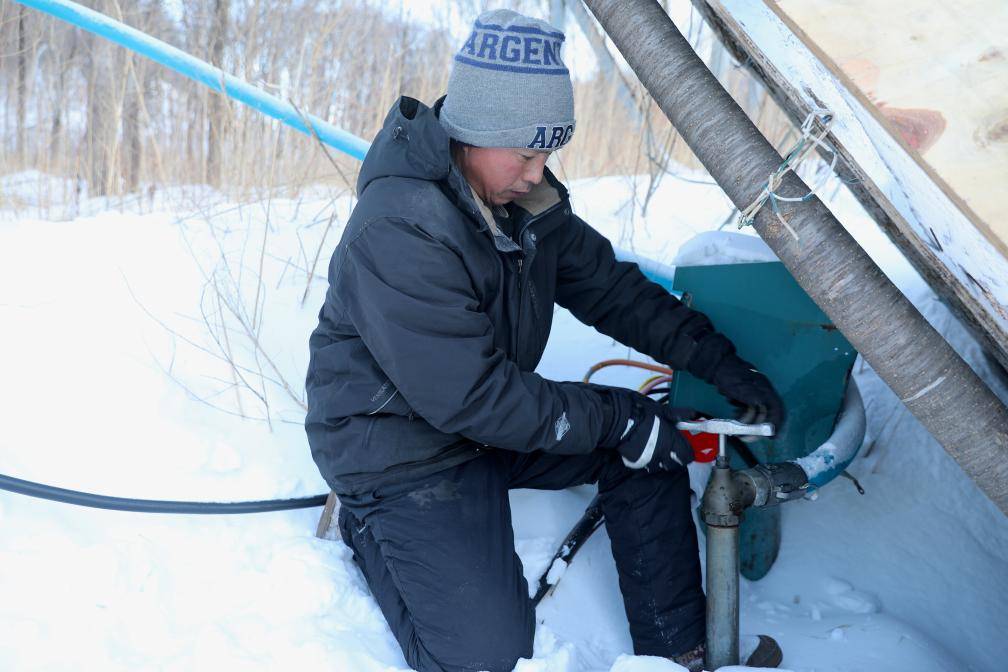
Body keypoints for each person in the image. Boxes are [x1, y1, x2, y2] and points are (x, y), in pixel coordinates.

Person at [305, 9, 784, 672]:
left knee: (653, 448)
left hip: (482, 425)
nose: (537, 172)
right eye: (526, 153)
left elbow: (610, 289)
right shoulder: (401, 227)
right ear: (473, 132)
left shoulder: (522, 204)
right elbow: (472, 396)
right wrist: (617, 417)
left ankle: (680, 654)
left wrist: (720, 364)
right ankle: (373, 528)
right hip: (398, 450)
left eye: (546, 153)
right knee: (487, 656)